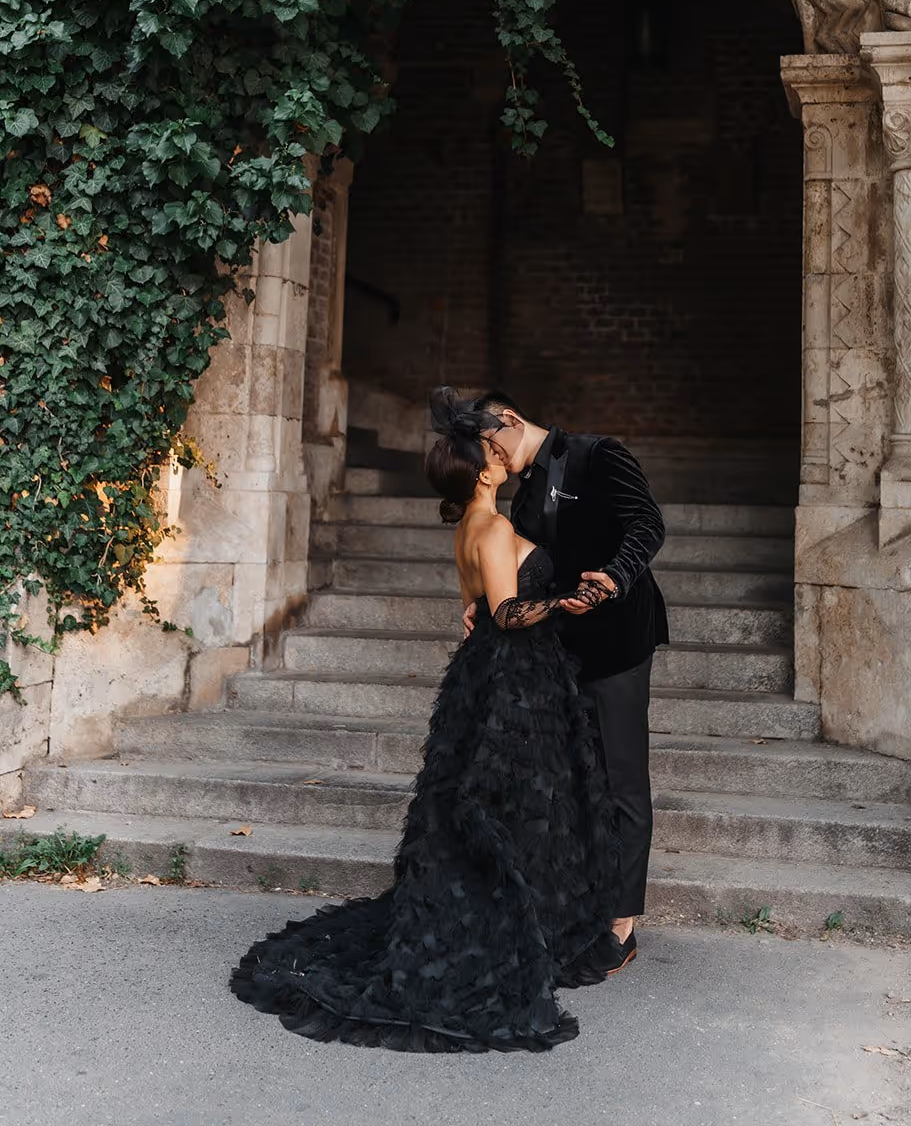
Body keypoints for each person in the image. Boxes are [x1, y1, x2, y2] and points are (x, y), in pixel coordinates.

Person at [229, 387, 619, 1053]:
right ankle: (515, 932)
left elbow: (473, 608)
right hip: (512, 685)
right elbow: (504, 614)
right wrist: (573, 598)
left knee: (502, 807)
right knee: (511, 807)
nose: (501, 450)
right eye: (492, 448)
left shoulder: (469, 528)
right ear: (484, 467)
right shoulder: (493, 530)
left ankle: (534, 924)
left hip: (485, 675)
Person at [470, 391, 668, 975]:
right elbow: (529, 571)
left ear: (509, 419)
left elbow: (648, 525)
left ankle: (622, 924)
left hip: (619, 644)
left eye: (488, 444)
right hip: (560, 651)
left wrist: (612, 577)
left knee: (621, 780)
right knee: (574, 780)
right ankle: (576, 904)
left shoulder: (598, 454)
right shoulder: (523, 492)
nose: (490, 458)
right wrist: (485, 605)